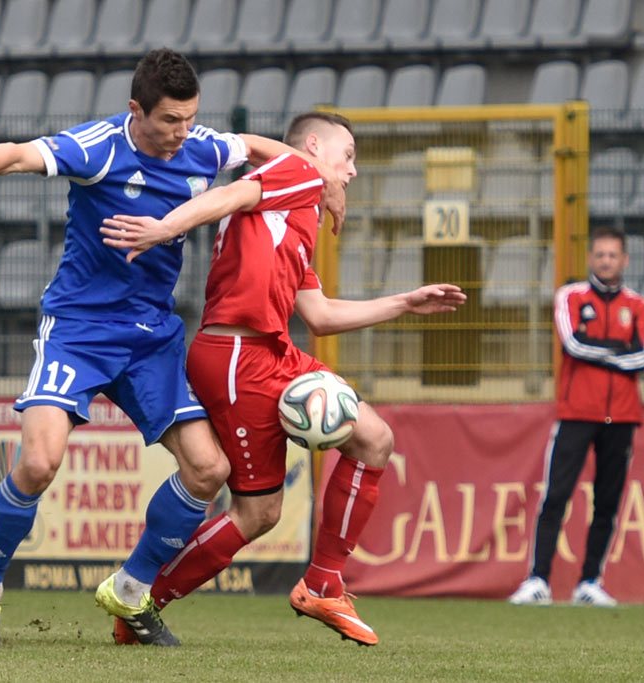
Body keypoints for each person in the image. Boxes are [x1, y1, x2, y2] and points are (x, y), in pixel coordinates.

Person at [0, 49, 344, 648]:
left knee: (208, 470)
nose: (181, 133)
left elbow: (252, 146)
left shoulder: (198, 147)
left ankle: (131, 587)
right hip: (79, 329)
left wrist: (320, 179)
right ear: (135, 111)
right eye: (170, 120)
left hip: (150, 338)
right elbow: (19, 154)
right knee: (38, 463)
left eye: (190, 119)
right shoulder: (98, 147)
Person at [99, 111, 467, 646]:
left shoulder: (295, 209)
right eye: (348, 156)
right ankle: (140, 601)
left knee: (372, 441)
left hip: (269, 349)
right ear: (314, 147)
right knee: (256, 512)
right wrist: (166, 227)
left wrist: (405, 304)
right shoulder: (297, 174)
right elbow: (231, 196)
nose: (353, 171)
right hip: (237, 355)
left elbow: (318, 316)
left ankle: (321, 582)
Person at [508, 225, 644, 608]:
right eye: (600, 254)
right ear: (592, 258)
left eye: (613, 255)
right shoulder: (569, 296)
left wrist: (600, 348)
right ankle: (538, 579)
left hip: (622, 417)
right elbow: (573, 343)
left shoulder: (639, 304)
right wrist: (617, 350)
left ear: (624, 260)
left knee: (607, 502)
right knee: (556, 495)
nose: (606, 261)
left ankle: (589, 582)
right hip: (576, 413)